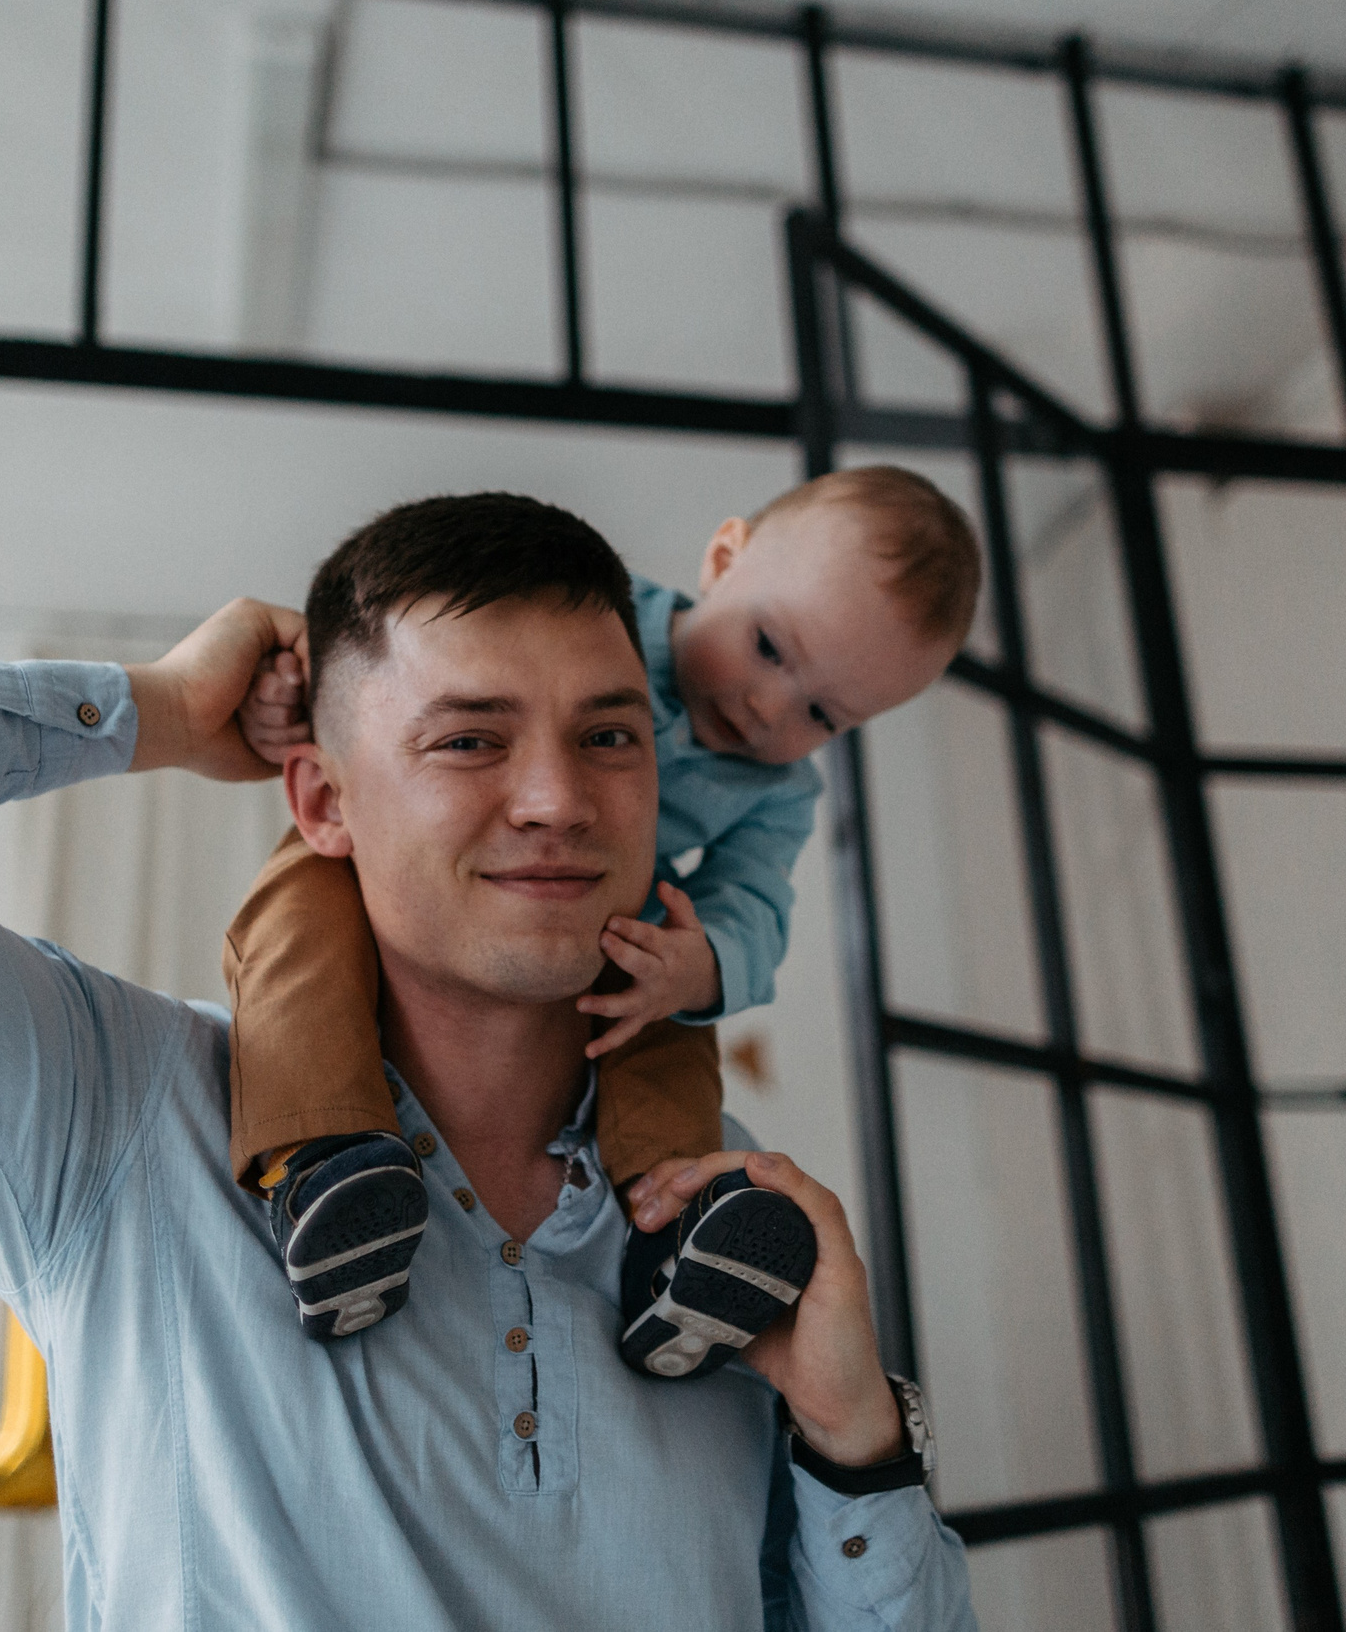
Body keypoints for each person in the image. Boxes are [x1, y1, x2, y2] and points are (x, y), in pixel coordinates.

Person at [0, 491, 977, 1630]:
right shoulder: (112, 1120)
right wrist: (155, 712)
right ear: (323, 801)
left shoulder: (739, 1240)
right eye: (469, 739)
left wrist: (858, 1441)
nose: (556, 798)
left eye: (610, 735)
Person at [222, 470, 978, 1381]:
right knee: (295, 929)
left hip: (614, 926)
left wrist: (700, 965)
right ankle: (321, 1157)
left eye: (823, 713)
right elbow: (381, 680)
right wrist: (284, 695)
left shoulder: (779, 789)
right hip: (365, 860)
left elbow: (755, 903)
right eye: (769, 648)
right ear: (724, 558)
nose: (769, 707)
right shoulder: (587, 621)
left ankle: (681, 1238)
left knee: (665, 1024)